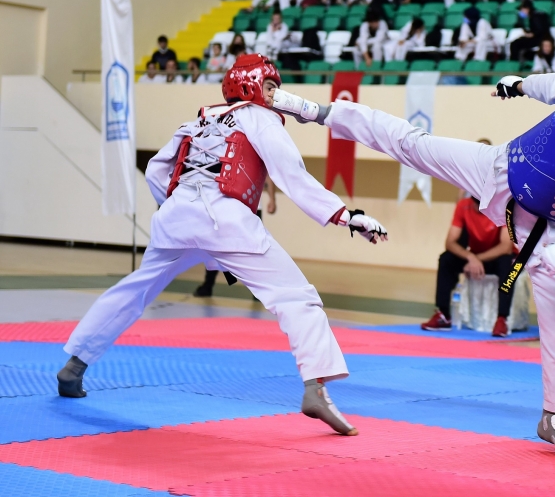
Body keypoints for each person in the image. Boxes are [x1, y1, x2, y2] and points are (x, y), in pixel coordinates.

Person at [272, 23, 555, 460]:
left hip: (543, 231)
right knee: (412, 143)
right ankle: (316, 111)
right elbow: (540, 84)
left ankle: (554, 417)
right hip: (496, 169)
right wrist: (514, 85)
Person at [56, 54, 389, 440]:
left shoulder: (198, 118)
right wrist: (347, 217)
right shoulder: (261, 119)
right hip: (227, 221)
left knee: (135, 289)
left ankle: (74, 366)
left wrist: (175, 209)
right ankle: (316, 389)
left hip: (176, 217)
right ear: (250, 86)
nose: (277, 95)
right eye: (270, 86)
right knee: (296, 296)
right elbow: (293, 177)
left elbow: (155, 171)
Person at [421, 193, 517, 337]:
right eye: (476, 206)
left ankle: (502, 319)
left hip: (498, 257)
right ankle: (443, 315)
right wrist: (470, 257)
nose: (478, 210)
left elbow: (506, 247)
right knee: (446, 259)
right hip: (475, 255)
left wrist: (476, 258)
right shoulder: (463, 205)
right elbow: (450, 242)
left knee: (508, 265)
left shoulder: (502, 207)